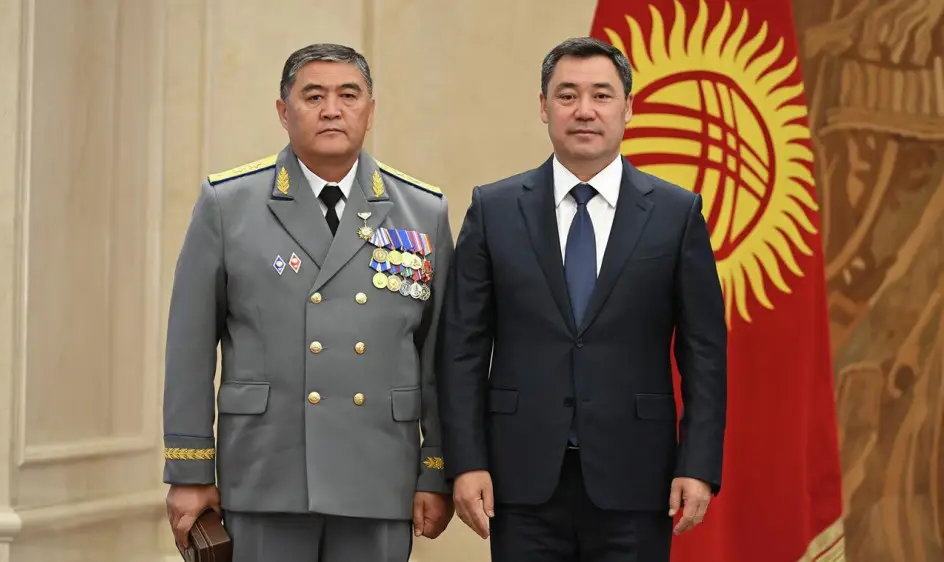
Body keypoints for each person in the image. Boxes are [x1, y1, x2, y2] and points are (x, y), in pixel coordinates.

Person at [437, 37, 727, 561]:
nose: (585, 110)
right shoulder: (494, 209)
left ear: (628, 107)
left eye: (602, 95)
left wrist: (698, 464)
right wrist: (466, 461)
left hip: (638, 478)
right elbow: (462, 348)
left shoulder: (676, 214)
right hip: (519, 480)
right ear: (544, 106)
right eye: (567, 95)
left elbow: (704, 352)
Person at [161, 43, 455, 562]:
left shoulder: (422, 210)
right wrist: (190, 470)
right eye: (313, 96)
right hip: (267, 470)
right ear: (283, 111)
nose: (332, 110)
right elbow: (190, 345)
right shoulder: (228, 203)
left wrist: (436, 468)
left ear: (370, 110)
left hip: (378, 472)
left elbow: (440, 356)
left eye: (348, 95)